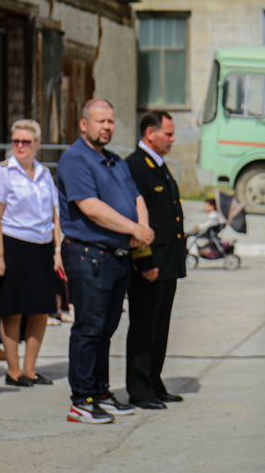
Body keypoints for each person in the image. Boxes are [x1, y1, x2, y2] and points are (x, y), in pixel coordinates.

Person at [57, 99, 154, 424]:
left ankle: (99, 392)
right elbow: (90, 207)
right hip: (89, 255)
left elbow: (136, 197)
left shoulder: (114, 160)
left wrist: (141, 228)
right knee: (88, 329)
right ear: (84, 124)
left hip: (117, 257)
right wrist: (134, 229)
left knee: (105, 329)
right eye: (100, 121)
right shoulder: (75, 158)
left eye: (110, 121)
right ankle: (81, 400)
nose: (107, 127)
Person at [0, 120, 62, 388]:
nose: (20, 146)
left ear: (37, 144)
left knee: (40, 310)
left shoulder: (44, 172)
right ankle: (14, 369)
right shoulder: (3, 172)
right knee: (13, 311)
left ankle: (30, 370)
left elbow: (54, 215)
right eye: (16, 141)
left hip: (42, 247)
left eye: (25, 142)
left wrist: (58, 250)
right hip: (14, 244)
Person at [125, 110, 187, 410]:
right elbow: (134, 217)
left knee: (160, 328)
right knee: (143, 328)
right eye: (168, 134)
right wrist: (144, 261)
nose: (172, 139)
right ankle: (139, 388)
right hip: (150, 264)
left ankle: (153, 381)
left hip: (167, 263)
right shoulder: (135, 166)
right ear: (150, 133)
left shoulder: (158, 165)